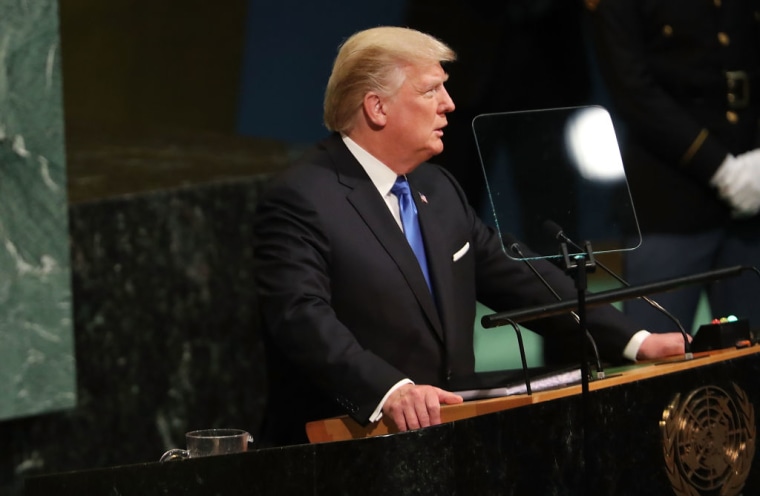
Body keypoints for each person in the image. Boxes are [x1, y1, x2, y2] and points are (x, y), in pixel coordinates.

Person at [252, 25, 687, 447]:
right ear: (377, 108)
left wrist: (636, 341)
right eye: (430, 90)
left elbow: (518, 278)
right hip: (344, 450)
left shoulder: (438, 188)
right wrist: (390, 390)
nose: (449, 104)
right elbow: (301, 319)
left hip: (452, 440)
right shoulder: (301, 198)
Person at [586, 0, 760, 333]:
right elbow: (632, 89)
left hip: (752, 189)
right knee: (658, 359)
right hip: (670, 195)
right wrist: (721, 169)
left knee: (752, 360)